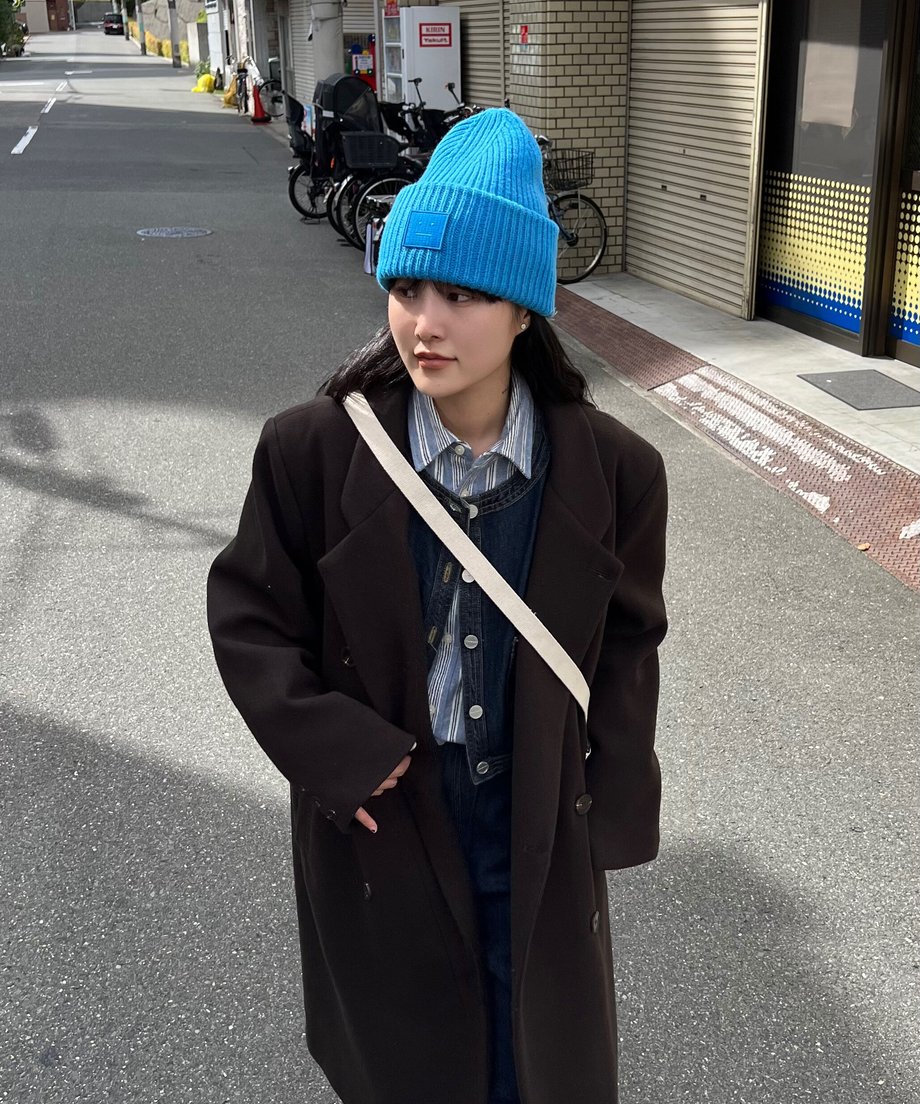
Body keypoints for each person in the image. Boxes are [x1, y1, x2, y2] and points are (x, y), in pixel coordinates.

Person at [207, 108, 668, 1104]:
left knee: (531, 1060)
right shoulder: (314, 451)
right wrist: (340, 754)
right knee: (411, 1059)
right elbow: (250, 617)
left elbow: (629, 642)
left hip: (536, 803)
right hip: (391, 806)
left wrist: (614, 799)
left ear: (523, 310)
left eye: (461, 293)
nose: (424, 321)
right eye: (407, 287)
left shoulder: (613, 471)